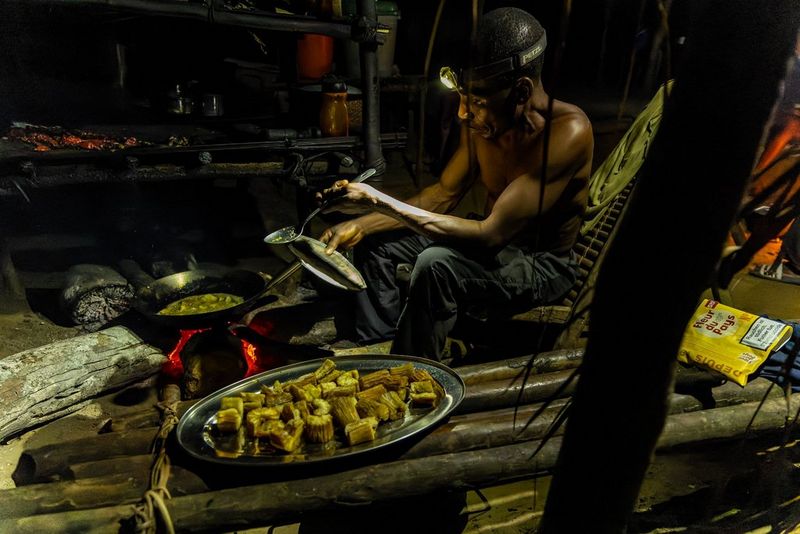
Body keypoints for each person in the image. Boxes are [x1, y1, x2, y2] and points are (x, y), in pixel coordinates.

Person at [317, 7, 594, 360]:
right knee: (376, 243)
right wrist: (359, 223)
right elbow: (443, 194)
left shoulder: (567, 132)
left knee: (437, 264)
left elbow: (491, 234)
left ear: (521, 92)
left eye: (476, 101)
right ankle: (378, 345)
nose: (463, 113)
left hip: (539, 264)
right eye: (462, 96)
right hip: (489, 244)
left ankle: (412, 372)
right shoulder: (484, 124)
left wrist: (377, 200)